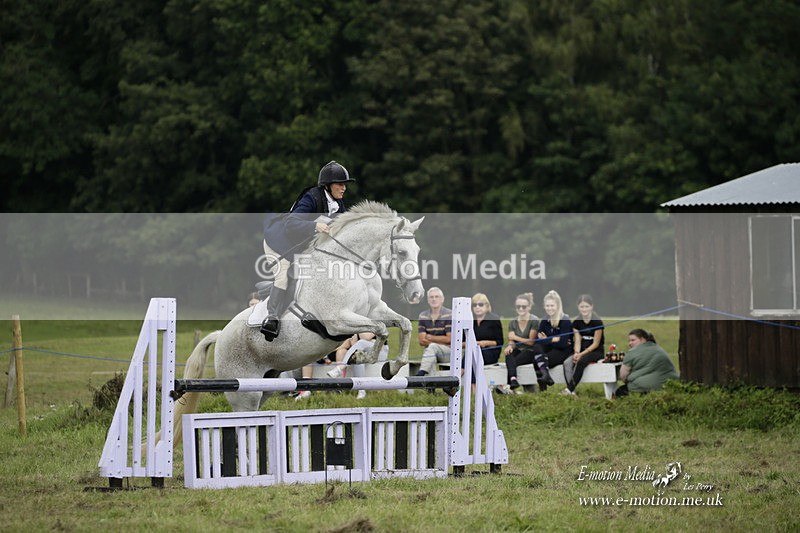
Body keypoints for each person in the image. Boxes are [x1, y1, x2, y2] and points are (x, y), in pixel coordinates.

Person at [260, 161, 355, 341]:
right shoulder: (312, 197)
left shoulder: (338, 205)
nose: (344, 188)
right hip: (279, 242)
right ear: (328, 185)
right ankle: (271, 319)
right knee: (283, 275)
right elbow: (291, 223)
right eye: (340, 184)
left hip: (302, 246)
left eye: (345, 184)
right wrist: (314, 225)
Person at [497, 292, 541, 394]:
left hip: (530, 351)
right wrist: (510, 345)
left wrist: (515, 337)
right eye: (518, 306)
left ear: (529, 307)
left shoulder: (534, 320)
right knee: (509, 354)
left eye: (524, 307)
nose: (521, 309)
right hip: (518, 349)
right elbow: (511, 339)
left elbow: (531, 342)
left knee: (513, 361)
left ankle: (507, 384)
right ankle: (513, 379)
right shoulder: (513, 322)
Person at [562, 294, 605, 397]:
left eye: (586, 306)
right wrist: (577, 353)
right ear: (578, 307)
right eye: (582, 306)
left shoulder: (597, 321)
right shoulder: (576, 322)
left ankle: (568, 390)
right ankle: (572, 392)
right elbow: (577, 340)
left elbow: (596, 343)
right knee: (567, 363)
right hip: (581, 350)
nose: (584, 309)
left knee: (581, 361)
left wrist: (581, 355)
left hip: (595, 351)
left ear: (591, 306)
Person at [616, 329, 678, 397]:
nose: (630, 343)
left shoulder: (632, 352)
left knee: (620, 391)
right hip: (672, 384)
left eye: (633, 340)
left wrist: (629, 382)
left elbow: (623, 375)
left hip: (645, 388)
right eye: (629, 341)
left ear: (642, 339)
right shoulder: (658, 348)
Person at [325, 332, 389, 399]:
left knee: (361, 343)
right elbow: (353, 345)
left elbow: (366, 337)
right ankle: (361, 391)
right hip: (365, 353)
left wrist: (359, 329)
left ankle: (340, 368)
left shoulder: (375, 324)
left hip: (379, 353)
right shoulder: (358, 327)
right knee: (357, 357)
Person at [534, 290, 572, 391]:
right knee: (537, 350)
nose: (549, 308)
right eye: (547, 306)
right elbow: (538, 341)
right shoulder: (544, 320)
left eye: (552, 305)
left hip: (563, 351)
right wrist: (554, 339)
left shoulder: (565, 320)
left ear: (558, 305)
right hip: (549, 349)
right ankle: (546, 378)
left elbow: (563, 343)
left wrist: (547, 339)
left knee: (539, 361)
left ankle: (544, 384)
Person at [415, 287, 452, 377]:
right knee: (431, 353)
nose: (434, 299)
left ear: (442, 299)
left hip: (448, 352)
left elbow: (450, 339)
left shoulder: (449, 314)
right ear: (428, 300)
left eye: (437, 297)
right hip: (431, 352)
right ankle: (431, 388)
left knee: (431, 348)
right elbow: (422, 341)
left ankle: (421, 373)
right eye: (431, 297)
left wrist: (430, 337)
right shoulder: (423, 316)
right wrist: (440, 340)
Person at [471, 293, 504, 366]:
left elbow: (500, 342)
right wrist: (472, 343)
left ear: (487, 306)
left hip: (490, 351)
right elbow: (463, 341)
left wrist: (484, 343)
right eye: (474, 305)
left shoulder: (494, 319)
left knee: (476, 355)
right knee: (471, 355)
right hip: (472, 350)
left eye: (480, 305)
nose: (477, 307)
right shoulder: (470, 320)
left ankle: (461, 372)